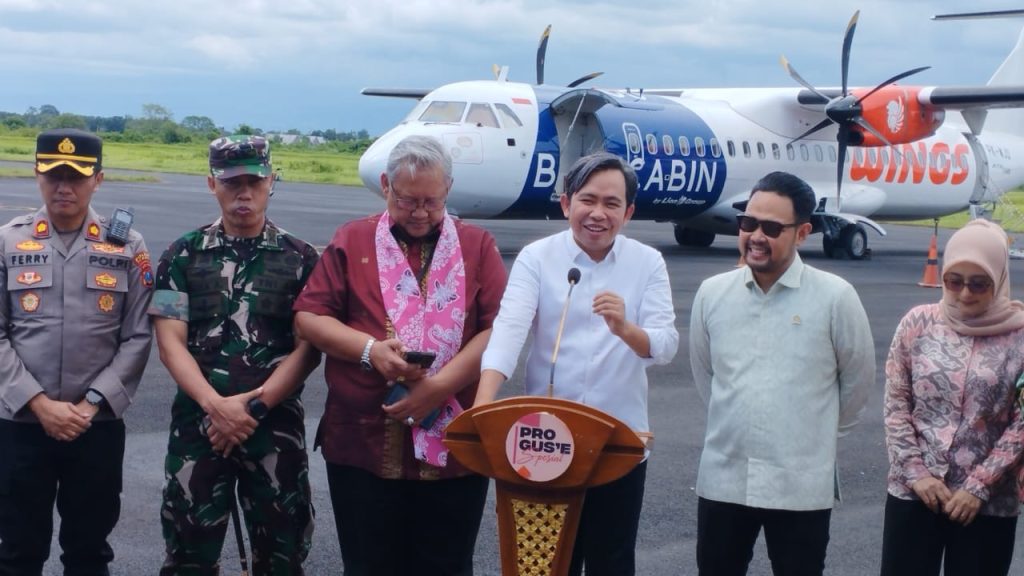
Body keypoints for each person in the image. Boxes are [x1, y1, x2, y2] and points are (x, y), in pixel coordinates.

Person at [293, 134, 507, 576]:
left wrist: (438, 388)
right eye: (409, 201)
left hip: (455, 442)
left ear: (449, 188)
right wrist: (370, 350)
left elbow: (499, 329)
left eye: (432, 201)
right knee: (368, 564)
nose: (421, 213)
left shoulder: (476, 245)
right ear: (387, 185)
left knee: (446, 565)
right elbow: (310, 318)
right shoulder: (353, 240)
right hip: (364, 442)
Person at [474, 152, 679, 576]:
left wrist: (626, 329)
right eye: (588, 200)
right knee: (545, 560)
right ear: (567, 203)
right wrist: (483, 405)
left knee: (612, 560)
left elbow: (665, 346)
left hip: (618, 442)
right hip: (545, 442)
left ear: (629, 212)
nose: (598, 214)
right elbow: (509, 329)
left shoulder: (647, 262)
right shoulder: (538, 257)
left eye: (612, 204)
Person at [149, 135, 320, 575]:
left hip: (274, 427)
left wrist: (255, 406)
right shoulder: (181, 256)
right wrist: (216, 408)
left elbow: (309, 349)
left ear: (271, 182)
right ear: (211, 184)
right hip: (199, 426)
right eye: (230, 183)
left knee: (282, 554)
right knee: (188, 552)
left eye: (253, 181)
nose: (243, 193)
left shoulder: (302, 259)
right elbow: (170, 343)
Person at [689, 171, 874, 576]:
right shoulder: (712, 294)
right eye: (748, 223)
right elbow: (708, 378)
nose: (756, 235)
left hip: (800, 485)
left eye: (772, 228)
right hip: (724, 478)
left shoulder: (835, 297)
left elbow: (857, 385)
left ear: (803, 232)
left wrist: (812, 432)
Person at [0, 128, 153, 575]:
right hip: (22, 424)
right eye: (53, 175)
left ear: (98, 180)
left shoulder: (128, 246)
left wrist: (88, 406)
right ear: (36, 175)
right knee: (18, 551)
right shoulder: (7, 241)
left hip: (97, 426)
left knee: (89, 552)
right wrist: (39, 403)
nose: (63, 186)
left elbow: (140, 335)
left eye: (76, 176)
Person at [880, 219, 1024, 576]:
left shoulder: (1020, 337)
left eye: (979, 284)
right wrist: (916, 474)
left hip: (987, 502)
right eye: (954, 281)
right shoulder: (918, 324)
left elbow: (1022, 422)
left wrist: (979, 486)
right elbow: (896, 404)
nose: (964, 294)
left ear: (1000, 278)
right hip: (915, 492)